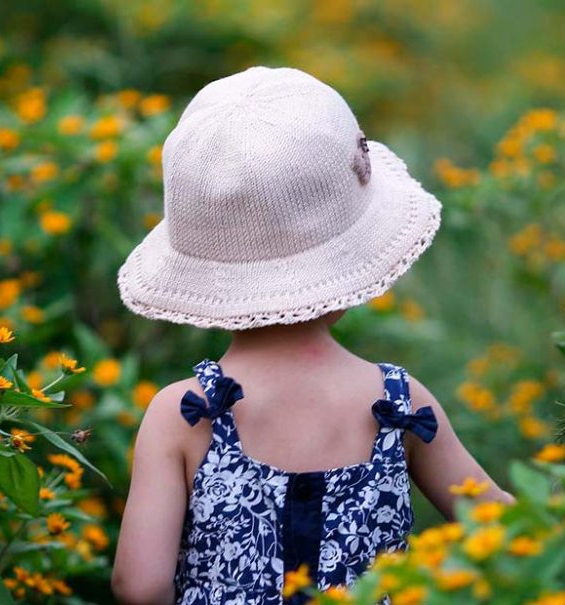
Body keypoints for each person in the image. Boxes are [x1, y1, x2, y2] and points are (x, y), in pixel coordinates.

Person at [111, 66, 513, 605]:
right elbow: (507, 532)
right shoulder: (396, 402)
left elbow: (140, 587)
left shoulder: (182, 413)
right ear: (346, 270)